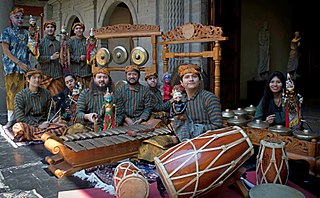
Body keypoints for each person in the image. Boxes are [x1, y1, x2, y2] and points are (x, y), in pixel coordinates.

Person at [12, 68, 68, 141]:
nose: (37, 80)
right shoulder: (20, 96)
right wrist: (38, 125)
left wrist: (53, 119)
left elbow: (50, 111)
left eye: (39, 77)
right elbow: (20, 117)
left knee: (63, 126)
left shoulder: (46, 93)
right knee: (18, 128)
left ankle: (37, 135)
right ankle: (44, 135)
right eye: (34, 78)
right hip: (29, 124)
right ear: (28, 79)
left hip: (45, 123)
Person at [173, 64, 222, 142]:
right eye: (187, 77)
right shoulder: (181, 100)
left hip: (207, 141)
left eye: (194, 76)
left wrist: (194, 129)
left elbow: (217, 125)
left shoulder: (209, 98)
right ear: (181, 82)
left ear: (199, 81)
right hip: (186, 142)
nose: (191, 79)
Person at [0, 7, 30, 128]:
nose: (20, 19)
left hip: (25, 68)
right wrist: (18, 62)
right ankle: (11, 119)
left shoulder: (25, 33)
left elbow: (31, 48)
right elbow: (6, 50)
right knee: (11, 93)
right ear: (11, 18)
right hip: (12, 67)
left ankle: (22, 118)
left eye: (22, 17)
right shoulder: (6, 32)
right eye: (16, 17)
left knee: (24, 93)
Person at [37, 20, 64, 96]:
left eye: (52, 27)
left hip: (57, 75)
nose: (50, 29)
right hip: (45, 75)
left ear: (54, 29)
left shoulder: (58, 43)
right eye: (47, 27)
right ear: (45, 29)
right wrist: (51, 57)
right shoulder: (40, 43)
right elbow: (38, 58)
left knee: (57, 98)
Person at [69, 22, 92, 88]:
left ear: (83, 30)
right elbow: (68, 56)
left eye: (80, 28)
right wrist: (78, 58)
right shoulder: (71, 41)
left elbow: (92, 52)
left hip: (86, 71)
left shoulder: (87, 41)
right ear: (74, 30)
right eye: (77, 28)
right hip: (75, 71)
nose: (79, 30)